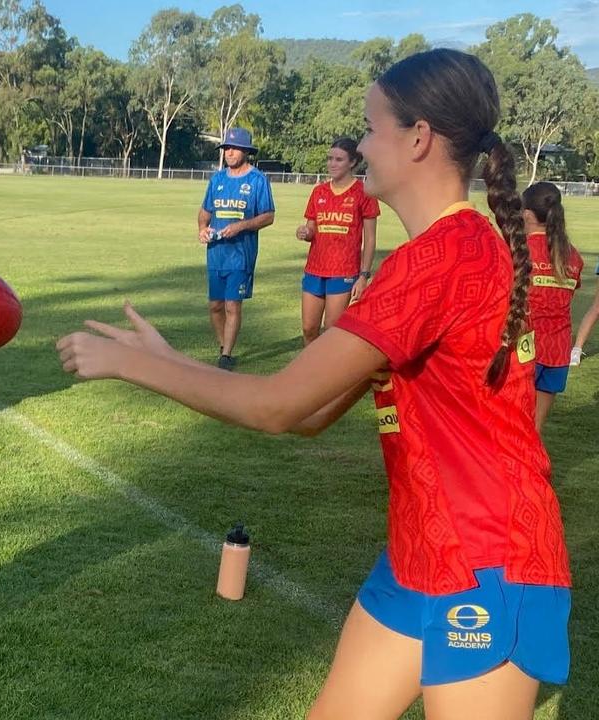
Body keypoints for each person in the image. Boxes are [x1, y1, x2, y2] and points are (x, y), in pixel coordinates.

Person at [59, 49, 569, 719]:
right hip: (420, 553)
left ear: (418, 139)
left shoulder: (443, 257)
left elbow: (278, 408)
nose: (359, 146)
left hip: (492, 561)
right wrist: (172, 361)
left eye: (369, 126)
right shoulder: (428, 257)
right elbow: (311, 411)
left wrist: (132, 366)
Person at [197, 127, 275, 371]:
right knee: (215, 306)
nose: (228, 153)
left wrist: (242, 226)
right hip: (216, 253)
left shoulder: (257, 180)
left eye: (232, 148)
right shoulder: (217, 180)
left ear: (246, 151)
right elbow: (205, 212)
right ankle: (223, 346)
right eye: (225, 149)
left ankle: (227, 356)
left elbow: (269, 216)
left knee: (232, 305)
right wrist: (202, 229)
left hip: (241, 255)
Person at [296, 138, 380, 345]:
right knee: (308, 328)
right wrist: (305, 232)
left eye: (338, 159)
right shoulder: (319, 192)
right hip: (314, 269)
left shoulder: (364, 193)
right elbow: (312, 228)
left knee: (331, 331)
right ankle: (310, 374)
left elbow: (370, 238)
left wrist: (363, 276)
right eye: (329, 158)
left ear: (352, 162)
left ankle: (325, 376)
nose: (331, 164)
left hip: (343, 272)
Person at [522, 182, 582, 432]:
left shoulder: (520, 252)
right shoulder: (573, 255)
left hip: (525, 350)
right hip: (557, 352)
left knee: (508, 427)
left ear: (526, 214)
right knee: (534, 431)